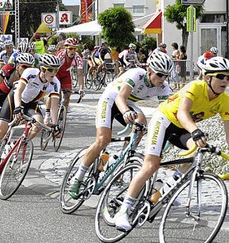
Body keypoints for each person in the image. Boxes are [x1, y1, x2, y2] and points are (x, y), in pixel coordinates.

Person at [114, 56, 229, 232]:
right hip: (164, 120)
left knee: (196, 152)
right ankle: (123, 211)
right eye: (220, 76)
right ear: (208, 77)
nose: (225, 81)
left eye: (228, 77)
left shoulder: (225, 102)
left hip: (182, 128)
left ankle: (167, 187)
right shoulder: (195, 87)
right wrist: (195, 131)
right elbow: (182, 114)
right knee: (151, 165)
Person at [66, 50, 174, 199]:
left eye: (166, 75)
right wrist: (125, 112)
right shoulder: (137, 74)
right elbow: (120, 97)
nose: (163, 79)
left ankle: (120, 158)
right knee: (103, 140)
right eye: (160, 74)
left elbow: (165, 111)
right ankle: (77, 178)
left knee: (141, 122)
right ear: (149, 70)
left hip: (128, 103)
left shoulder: (163, 87)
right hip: (111, 99)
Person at [0, 54, 63, 179]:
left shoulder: (55, 83)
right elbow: (18, 91)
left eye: (56, 70)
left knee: (39, 123)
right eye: (51, 69)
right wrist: (18, 107)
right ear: (43, 69)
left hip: (31, 104)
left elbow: (55, 105)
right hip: (14, 99)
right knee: (1, 130)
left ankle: (17, 144)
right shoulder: (30, 73)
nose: (54, 73)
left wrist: (55, 124)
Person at [47, 37, 85, 123]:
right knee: (54, 93)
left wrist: (81, 89)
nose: (73, 51)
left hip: (66, 74)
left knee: (68, 93)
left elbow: (80, 75)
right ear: (66, 48)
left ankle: (63, 114)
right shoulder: (61, 55)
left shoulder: (77, 58)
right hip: (56, 72)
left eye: (74, 48)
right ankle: (48, 113)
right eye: (70, 48)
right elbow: (53, 69)